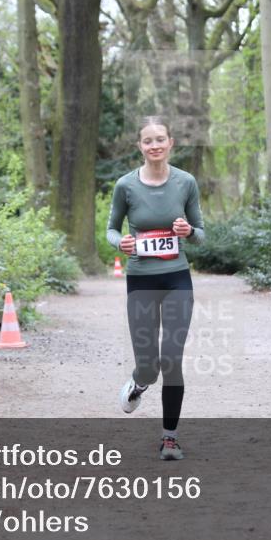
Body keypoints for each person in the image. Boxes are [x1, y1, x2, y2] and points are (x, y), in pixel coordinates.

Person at [106, 116, 205, 461]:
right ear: (140, 146)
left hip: (177, 278)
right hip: (141, 280)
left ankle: (170, 438)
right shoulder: (126, 186)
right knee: (149, 365)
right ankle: (139, 382)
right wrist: (122, 244)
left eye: (160, 139)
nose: (155, 145)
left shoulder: (186, 182)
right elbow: (110, 230)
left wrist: (187, 231)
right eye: (148, 141)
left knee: (171, 359)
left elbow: (202, 234)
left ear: (170, 143)